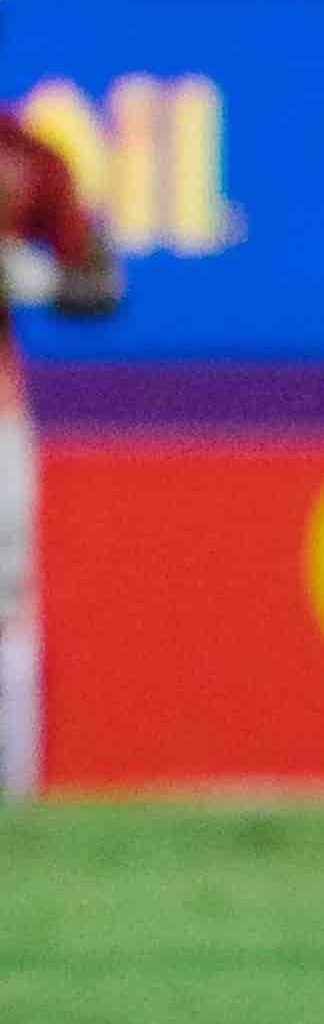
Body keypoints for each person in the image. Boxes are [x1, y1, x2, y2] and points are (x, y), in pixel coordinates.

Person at [1, 94, 122, 796]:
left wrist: (34, 279)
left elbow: (102, 285)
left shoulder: (29, 159)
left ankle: (16, 799)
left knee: (7, 598)